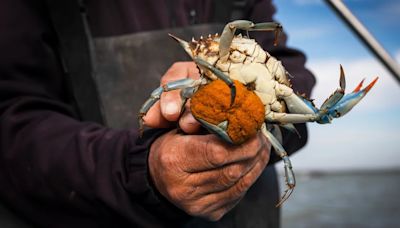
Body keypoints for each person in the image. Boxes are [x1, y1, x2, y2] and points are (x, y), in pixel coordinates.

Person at [0, 0, 315, 227]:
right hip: (91, 202)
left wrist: (264, 120)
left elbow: (292, 76)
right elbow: (11, 116)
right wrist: (140, 169)